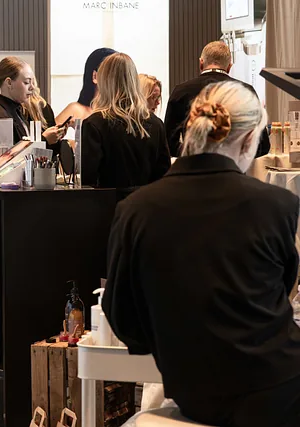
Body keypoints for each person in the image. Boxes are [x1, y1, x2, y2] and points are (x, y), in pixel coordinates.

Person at [103, 80, 300, 427]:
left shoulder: (135, 210)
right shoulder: (276, 205)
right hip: (279, 392)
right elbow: (280, 295)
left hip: (195, 395)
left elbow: (122, 316)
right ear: (249, 139)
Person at [80, 53, 171, 189]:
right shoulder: (156, 124)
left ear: (104, 82)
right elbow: (163, 175)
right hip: (146, 201)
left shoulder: (94, 124)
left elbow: (88, 180)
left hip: (109, 201)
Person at [164, 41, 270, 157]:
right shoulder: (246, 91)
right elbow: (262, 144)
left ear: (201, 63)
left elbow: (168, 143)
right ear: (229, 67)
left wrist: (190, 154)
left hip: (193, 164)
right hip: (233, 166)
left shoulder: (181, 91)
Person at [0, 57, 65, 147]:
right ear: (9, 83)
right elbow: (9, 155)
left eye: (32, 82)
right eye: (26, 82)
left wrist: (52, 139)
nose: (32, 87)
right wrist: (44, 139)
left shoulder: (17, 111)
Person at [55, 48, 117, 126]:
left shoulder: (120, 112)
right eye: (111, 73)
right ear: (95, 76)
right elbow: (51, 132)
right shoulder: (76, 109)